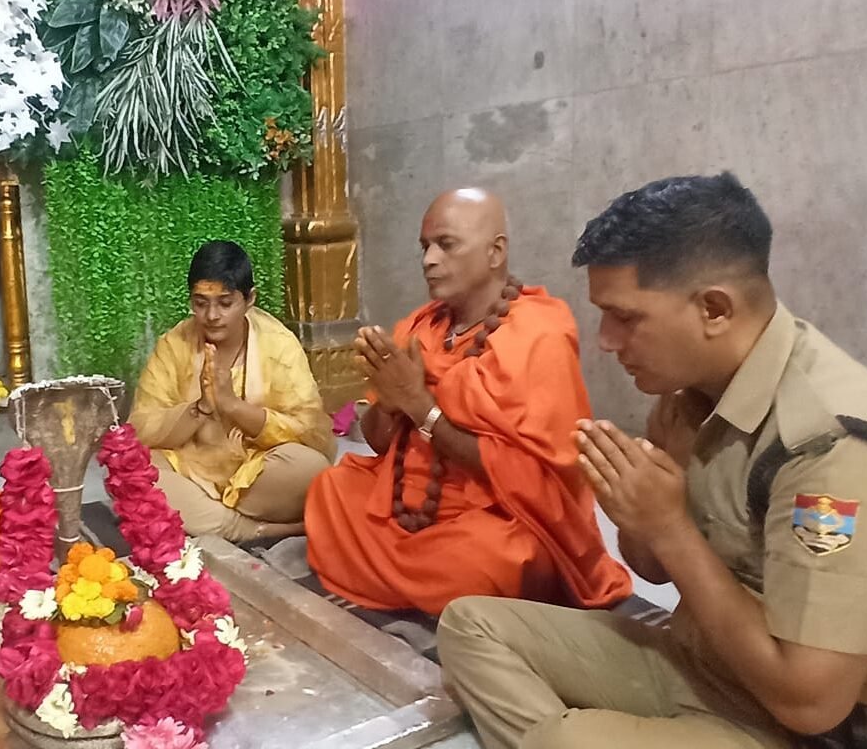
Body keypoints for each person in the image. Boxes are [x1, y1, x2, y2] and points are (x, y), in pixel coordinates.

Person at [437, 173, 867, 749]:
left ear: (715, 309)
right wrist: (649, 505)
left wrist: (670, 526)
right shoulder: (692, 391)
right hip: (715, 671)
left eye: (625, 317)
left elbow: (811, 700)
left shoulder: (836, 451)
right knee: (470, 625)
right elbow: (651, 568)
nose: (605, 340)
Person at [305, 188, 632, 616]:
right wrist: (388, 401)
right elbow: (382, 445)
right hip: (412, 507)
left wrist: (420, 406)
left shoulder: (538, 335)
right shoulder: (420, 326)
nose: (429, 260)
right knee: (330, 490)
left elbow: (538, 477)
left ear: (495, 252)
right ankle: (423, 584)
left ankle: (422, 583)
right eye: (425, 246)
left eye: (446, 244)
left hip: (495, 514)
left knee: (489, 559)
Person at [129, 241, 335, 543]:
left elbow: (310, 430)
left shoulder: (278, 344)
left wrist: (233, 406)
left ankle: (207, 519)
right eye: (200, 303)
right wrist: (200, 408)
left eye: (225, 303)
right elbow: (142, 427)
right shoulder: (174, 345)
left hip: (258, 472)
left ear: (250, 299)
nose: (212, 315)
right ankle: (253, 528)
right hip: (191, 468)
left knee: (313, 469)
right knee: (129, 471)